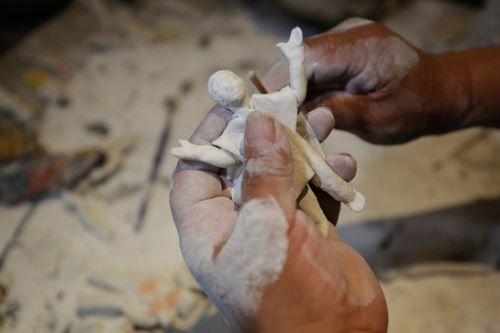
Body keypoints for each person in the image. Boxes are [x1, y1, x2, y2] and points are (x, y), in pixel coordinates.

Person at [170, 18, 500, 332]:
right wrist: (194, 152)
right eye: (224, 89)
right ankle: (318, 236)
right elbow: (223, 152)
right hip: (291, 183)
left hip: (301, 166)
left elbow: (296, 94)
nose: (228, 91)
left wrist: (295, 55)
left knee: (325, 182)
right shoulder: (241, 125)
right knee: (312, 210)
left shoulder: (270, 105)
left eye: (227, 87)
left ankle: (344, 200)